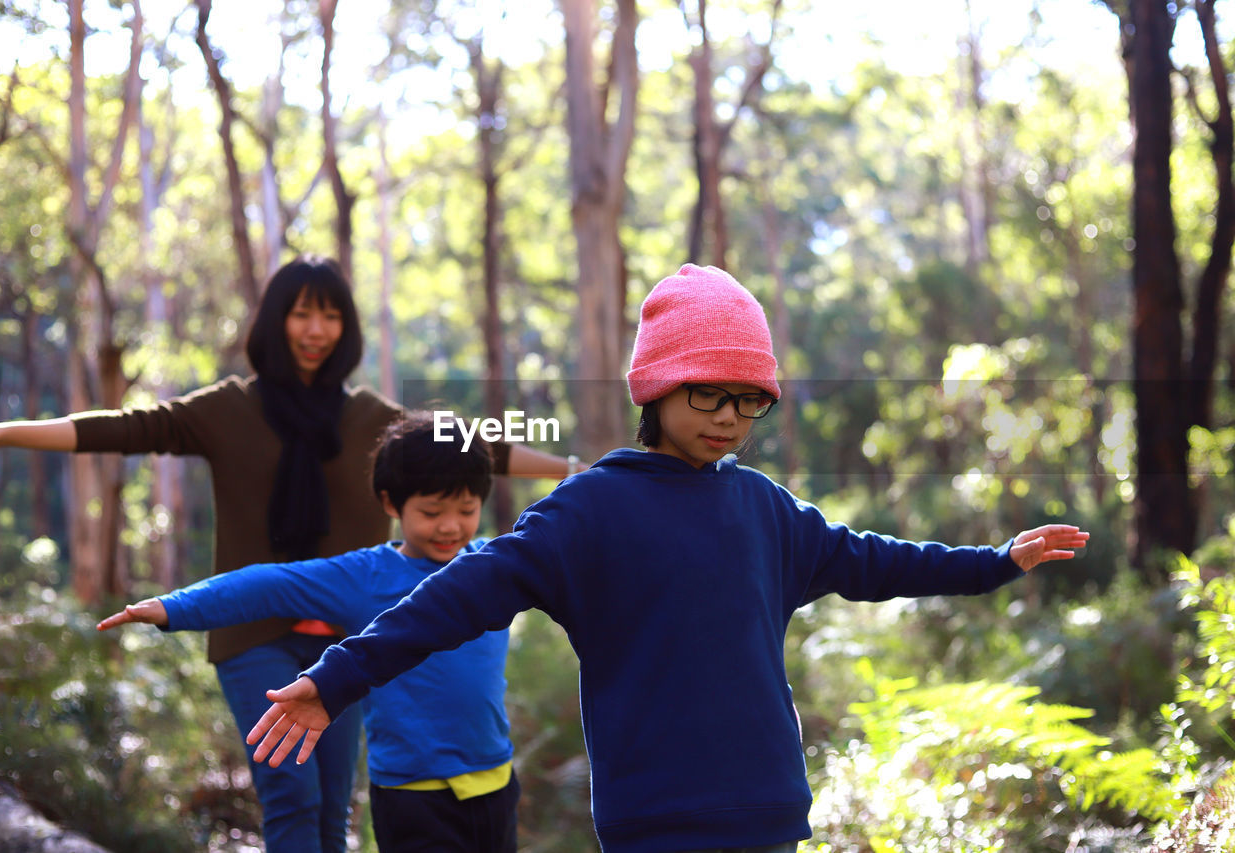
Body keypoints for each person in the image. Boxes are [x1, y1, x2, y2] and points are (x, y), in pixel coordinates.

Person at [242, 263, 1091, 853]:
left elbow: (876, 562)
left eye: (749, 399)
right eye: (708, 392)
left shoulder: (764, 509)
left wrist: (993, 560)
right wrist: (339, 676)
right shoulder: (589, 510)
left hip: (767, 806)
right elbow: (454, 597)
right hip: (654, 817)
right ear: (657, 389)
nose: (729, 416)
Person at [0, 255, 576, 853]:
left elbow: (471, 453)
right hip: (257, 630)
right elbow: (125, 428)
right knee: (291, 791)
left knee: (336, 807)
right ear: (275, 321)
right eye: (302, 313)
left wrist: (575, 468)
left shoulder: (370, 419)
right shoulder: (228, 409)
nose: (316, 330)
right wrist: (3, 431)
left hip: (347, 634)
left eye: (331, 316)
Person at [97, 412, 524, 853]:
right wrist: (174, 607)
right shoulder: (366, 576)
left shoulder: (490, 567)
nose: (451, 526)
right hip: (412, 795)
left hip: (495, 781)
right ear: (391, 504)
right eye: (432, 512)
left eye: (467, 510)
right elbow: (269, 584)